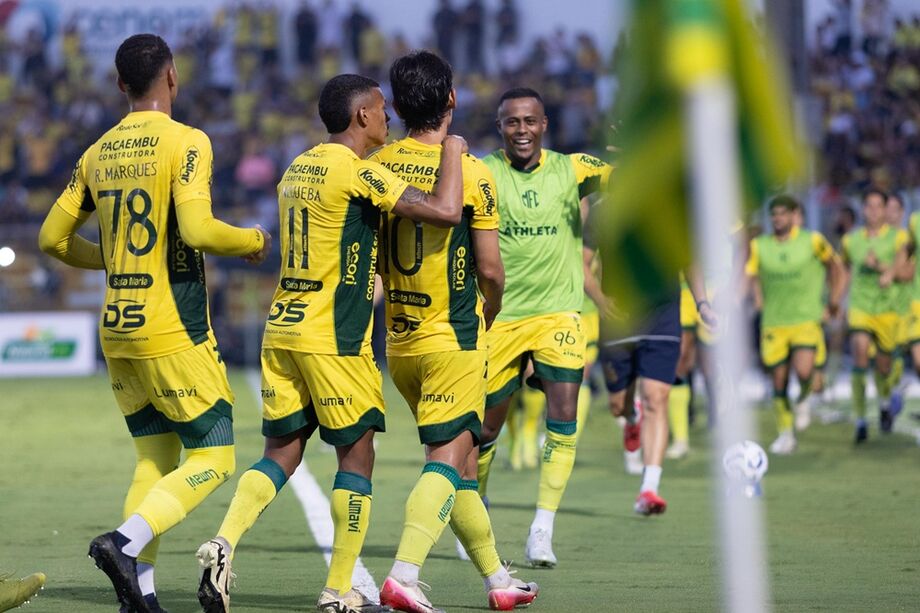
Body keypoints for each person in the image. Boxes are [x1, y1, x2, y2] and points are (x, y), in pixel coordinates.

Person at [195, 73, 469, 613]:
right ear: (361, 115)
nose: (388, 117)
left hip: (284, 326)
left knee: (281, 452)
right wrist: (455, 150)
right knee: (358, 454)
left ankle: (222, 544)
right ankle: (339, 589)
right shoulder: (355, 170)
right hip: (333, 334)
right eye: (381, 109)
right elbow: (445, 211)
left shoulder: (299, 165)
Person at [37, 34, 271, 613]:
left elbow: (51, 239)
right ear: (173, 75)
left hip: (116, 325)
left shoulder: (96, 153)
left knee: (154, 459)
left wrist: (113, 259)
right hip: (171, 327)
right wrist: (254, 240)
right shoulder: (188, 142)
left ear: (120, 84)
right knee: (215, 457)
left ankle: (138, 595)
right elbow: (197, 230)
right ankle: (125, 542)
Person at [371, 50, 537, 613]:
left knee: (463, 467)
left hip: (400, 342)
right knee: (445, 461)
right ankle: (403, 573)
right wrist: (489, 311)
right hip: (454, 339)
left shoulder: (378, 163)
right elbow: (491, 270)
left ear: (394, 106)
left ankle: (497, 581)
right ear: (451, 100)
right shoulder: (472, 172)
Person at [476, 87, 611, 568]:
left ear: (545, 124)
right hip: (501, 316)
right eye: (512, 122)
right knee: (486, 428)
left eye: (530, 121)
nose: (521, 130)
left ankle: (542, 528)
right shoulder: (483, 172)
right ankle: (479, 510)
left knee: (564, 414)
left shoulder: (574, 168)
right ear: (500, 127)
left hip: (559, 312)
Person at [743, 195, 845, 454]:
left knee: (803, 371)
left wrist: (833, 299)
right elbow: (749, 276)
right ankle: (785, 434)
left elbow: (836, 267)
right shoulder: (760, 245)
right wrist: (751, 299)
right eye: (774, 214)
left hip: (805, 319)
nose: (778, 219)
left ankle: (803, 400)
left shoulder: (812, 241)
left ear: (793, 215)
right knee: (778, 380)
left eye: (782, 214)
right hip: (774, 322)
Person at [841, 188, 909, 443]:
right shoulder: (851, 240)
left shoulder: (900, 238)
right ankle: (860, 420)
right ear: (863, 209)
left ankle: (883, 403)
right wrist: (836, 299)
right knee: (859, 352)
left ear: (885, 209)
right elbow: (845, 270)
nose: (873, 211)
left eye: (878, 206)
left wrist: (883, 269)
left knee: (884, 366)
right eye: (868, 206)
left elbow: (905, 272)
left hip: (888, 309)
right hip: (860, 307)